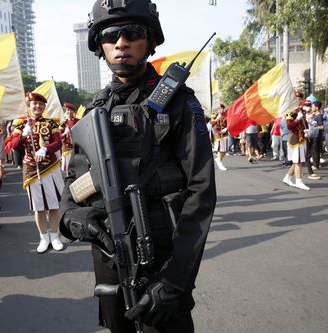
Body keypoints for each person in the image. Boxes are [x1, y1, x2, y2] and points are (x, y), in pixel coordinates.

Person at [58, 1, 217, 331]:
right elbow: (73, 187)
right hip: (110, 258)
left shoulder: (179, 103)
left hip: (163, 259)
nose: (121, 42)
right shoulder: (94, 111)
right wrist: (76, 218)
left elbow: (200, 193)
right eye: (110, 35)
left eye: (132, 32)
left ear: (151, 40)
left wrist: (175, 280)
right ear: (99, 46)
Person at [6, 92, 64, 252]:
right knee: (38, 207)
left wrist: (46, 148)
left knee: (53, 205)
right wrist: (22, 134)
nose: (37, 106)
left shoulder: (51, 123)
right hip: (32, 169)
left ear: (44, 106)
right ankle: (43, 237)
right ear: (29, 106)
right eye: (34, 104)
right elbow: (13, 146)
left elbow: (58, 143)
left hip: (50, 167)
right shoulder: (20, 124)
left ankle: (55, 236)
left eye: (40, 104)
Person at [282, 107, 310, 190]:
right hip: (295, 140)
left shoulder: (301, 111)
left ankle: (287, 177)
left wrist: (307, 129)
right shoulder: (290, 112)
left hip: (302, 138)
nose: (300, 101)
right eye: (298, 99)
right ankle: (298, 181)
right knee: (298, 161)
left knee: (298, 160)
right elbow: (289, 126)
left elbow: (304, 123)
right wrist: (297, 118)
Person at [60, 102, 79, 173]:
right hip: (67, 146)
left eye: (71, 110)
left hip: (76, 145)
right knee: (67, 167)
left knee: (77, 165)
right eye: (67, 110)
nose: (69, 112)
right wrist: (65, 133)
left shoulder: (78, 121)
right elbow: (59, 136)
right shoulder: (63, 122)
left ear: (74, 111)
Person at [209, 105, 228, 170]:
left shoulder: (225, 115)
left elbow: (228, 123)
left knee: (225, 150)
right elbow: (212, 123)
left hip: (224, 133)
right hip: (217, 134)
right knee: (220, 149)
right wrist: (217, 118)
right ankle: (220, 163)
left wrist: (226, 128)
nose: (221, 110)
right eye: (220, 108)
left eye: (222, 108)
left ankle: (218, 159)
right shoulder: (214, 115)